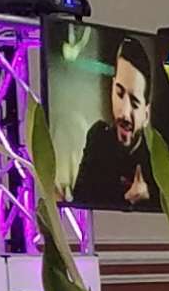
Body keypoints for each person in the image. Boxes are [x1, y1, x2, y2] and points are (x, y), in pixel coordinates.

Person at [68, 34, 161, 210]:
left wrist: (148, 196)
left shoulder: (156, 162)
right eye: (119, 94)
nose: (124, 113)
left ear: (146, 114)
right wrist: (126, 199)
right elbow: (79, 198)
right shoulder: (98, 137)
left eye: (134, 103)